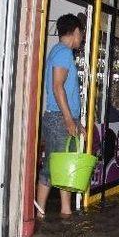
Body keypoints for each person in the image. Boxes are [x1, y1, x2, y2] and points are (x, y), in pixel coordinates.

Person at [35, 14, 84, 220]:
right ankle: (39, 212)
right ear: (74, 32)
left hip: (60, 117)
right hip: (58, 119)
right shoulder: (63, 53)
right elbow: (57, 87)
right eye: (81, 33)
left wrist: (75, 121)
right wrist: (67, 119)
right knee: (52, 166)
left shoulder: (60, 52)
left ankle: (63, 209)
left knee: (63, 166)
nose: (81, 38)